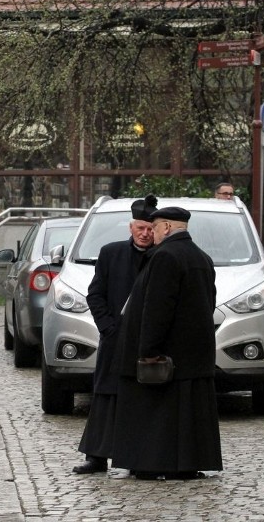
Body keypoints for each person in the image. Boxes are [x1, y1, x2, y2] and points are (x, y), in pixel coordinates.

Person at [111, 205, 223, 480]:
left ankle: (152, 464)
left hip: (167, 354)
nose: (153, 232)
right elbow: (209, 301)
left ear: (167, 227)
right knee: (187, 415)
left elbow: (157, 308)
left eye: (157, 226)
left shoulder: (165, 257)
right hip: (195, 352)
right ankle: (185, 465)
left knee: (159, 414)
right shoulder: (202, 257)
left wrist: (148, 349)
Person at [72, 195, 157, 474]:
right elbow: (95, 294)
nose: (145, 234)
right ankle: (97, 456)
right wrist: (107, 327)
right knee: (106, 395)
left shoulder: (161, 257)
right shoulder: (111, 253)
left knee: (140, 398)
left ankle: (136, 458)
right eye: (140, 228)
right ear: (131, 228)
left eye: (149, 229)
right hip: (114, 337)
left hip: (146, 340)